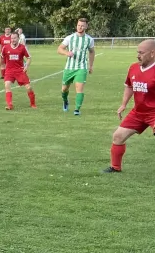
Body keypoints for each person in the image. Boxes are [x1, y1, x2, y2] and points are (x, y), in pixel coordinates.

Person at [102, 39, 155, 173]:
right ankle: (115, 168)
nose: (138, 55)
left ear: (152, 53)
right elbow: (129, 86)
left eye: (141, 53)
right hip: (138, 112)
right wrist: (123, 104)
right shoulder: (133, 68)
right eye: (137, 52)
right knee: (118, 136)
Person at [57, 18, 95, 115]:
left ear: (86, 26)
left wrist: (90, 66)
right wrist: (67, 52)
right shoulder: (70, 38)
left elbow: (91, 52)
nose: (80, 27)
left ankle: (77, 110)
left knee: (79, 89)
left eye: (82, 25)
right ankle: (65, 101)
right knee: (64, 89)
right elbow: (59, 49)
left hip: (81, 67)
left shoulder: (89, 39)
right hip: (69, 68)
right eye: (78, 25)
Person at [0, 32, 36, 110]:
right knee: (7, 85)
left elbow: (29, 58)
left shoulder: (22, 47)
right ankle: (10, 105)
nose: (13, 40)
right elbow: (1, 57)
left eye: (15, 38)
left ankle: (32, 104)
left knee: (29, 88)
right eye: (12, 38)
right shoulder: (5, 47)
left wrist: (26, 66)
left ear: (18, 39)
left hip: (20, 71)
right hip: (9, 71)